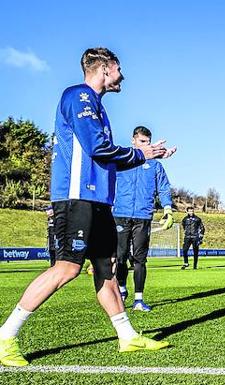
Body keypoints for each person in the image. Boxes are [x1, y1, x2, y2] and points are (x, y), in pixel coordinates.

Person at [0, 47, 175, 367]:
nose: (122, 75)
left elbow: (106, 157)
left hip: (98, 202)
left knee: (107, 270)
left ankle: (127, 336)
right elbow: (97, 148)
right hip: (75, 197)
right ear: (105, 69)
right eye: (119, 68)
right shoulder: (78, 97)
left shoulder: (97, 106)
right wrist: (143, 155)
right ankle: (5, 337)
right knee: (67, 268)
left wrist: (146, 155)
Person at [113, 126, 174, 311]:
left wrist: (168, 209)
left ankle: (139, 299)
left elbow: (163, 188)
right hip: (120, 214)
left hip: (143, 215)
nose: (146, 145)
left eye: (148, 142)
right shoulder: (122, 160)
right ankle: (122, 289)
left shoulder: (155, 165)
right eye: (142, 142)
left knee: (140, 259)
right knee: (121, 257)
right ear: (133, 140)